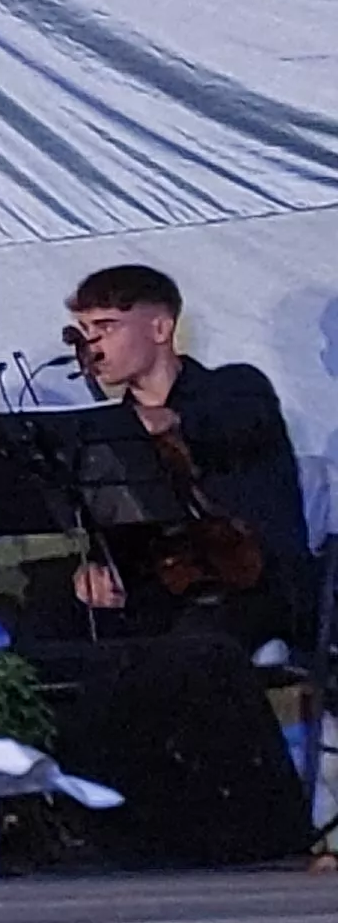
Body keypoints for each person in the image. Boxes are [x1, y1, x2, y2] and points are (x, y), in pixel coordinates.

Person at [59, 263, 315, 650]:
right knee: (47, 625)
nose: (92, 344)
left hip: (252, 584)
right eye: (85, 331)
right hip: (160, 587)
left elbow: (231, 424)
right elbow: (114, 519)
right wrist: (96, 568)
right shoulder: (109, 427)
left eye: (106, 326)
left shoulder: (236, 387)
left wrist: (165, 420)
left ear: (160, 329)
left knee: (187, 647)